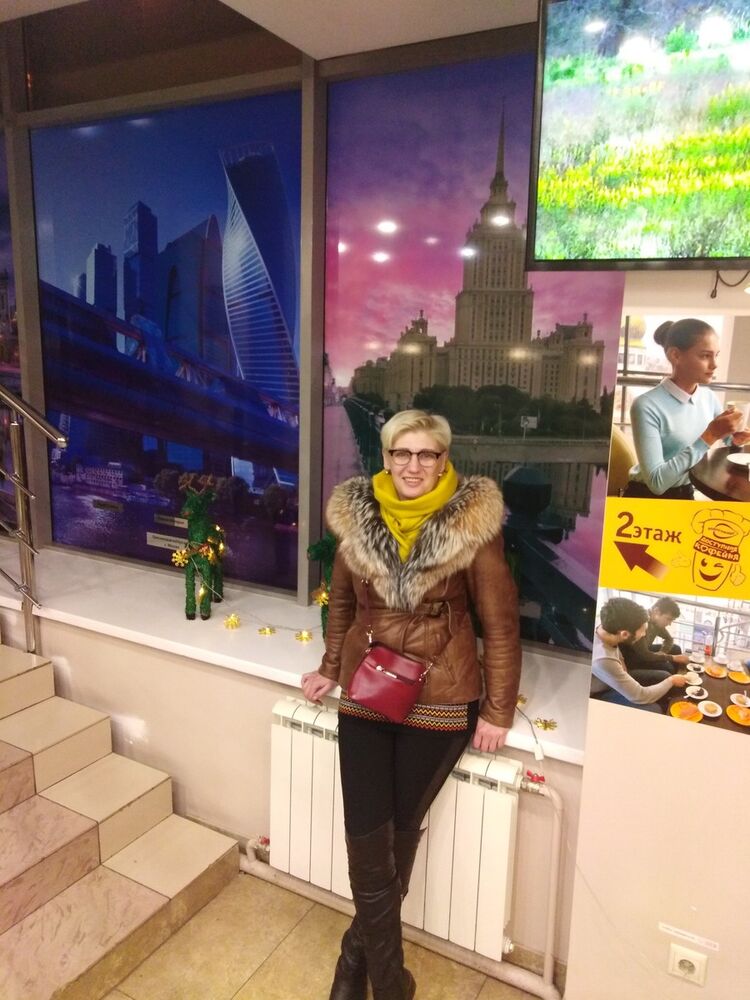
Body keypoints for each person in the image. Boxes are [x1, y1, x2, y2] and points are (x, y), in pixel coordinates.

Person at [302, 409, 521, 1000]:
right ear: (386, 457)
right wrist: (329, 668)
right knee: (367, 842)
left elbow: (501, 625)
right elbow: (341, 606)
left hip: (440, 699)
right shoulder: (358, 518)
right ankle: (388, 983)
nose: (413, 465)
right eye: (402, 453)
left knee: (397, 839)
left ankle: (355, 972)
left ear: (444, 460)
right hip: (368, 691)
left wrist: (498, 710)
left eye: (426, 454)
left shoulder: (472, 526)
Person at [623, 318, 750, 499]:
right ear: (675, 355)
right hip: (647, 498)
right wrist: (710, 435)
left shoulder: (708, 398)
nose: (715, 364)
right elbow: (656, 483)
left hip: (688, 492)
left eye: (716, 355)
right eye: (705, 356)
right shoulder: (646, 405)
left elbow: (727, 441)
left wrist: (736, 439)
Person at [590, 597, 689, 712]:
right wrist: (671, 680)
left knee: (665, 672)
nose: (644, 635)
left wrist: (622, 664)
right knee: (655, 709)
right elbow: (641, 696)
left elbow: (616, 651)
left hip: (617, 673)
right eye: (642, 631)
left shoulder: (607, 627)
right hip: (603, 691)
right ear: (625, 634)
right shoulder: (603, 659)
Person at [620, 596, 689, 677]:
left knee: (676, 648)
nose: (670, 624)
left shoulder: (656, 623)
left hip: (645, 650)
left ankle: (676, 677)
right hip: (634, 658)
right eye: (668, 619)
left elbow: (669, 639)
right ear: (656, 611)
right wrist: (672, 658)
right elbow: (645, 655)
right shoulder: (641, 622)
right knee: (667, 667)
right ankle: (672, 679)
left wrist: (662, 652)